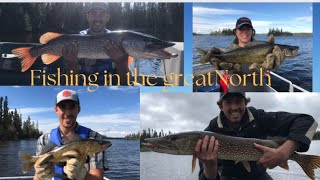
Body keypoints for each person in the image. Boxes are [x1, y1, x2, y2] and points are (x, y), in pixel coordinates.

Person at [195, 92, 318, 180]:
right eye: (228, 102)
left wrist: (283, 152)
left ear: (245, 103)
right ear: (221, 106)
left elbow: (307, 121)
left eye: (239, 101)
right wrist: (210, 166)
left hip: (258, 175)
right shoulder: (209, 133)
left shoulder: (259, 117)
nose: (234, 107)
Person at [34, 89, 108, 180]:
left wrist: (83, 175)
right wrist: (40, 174)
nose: (68, 113)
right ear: (56, 110)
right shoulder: (44, 139)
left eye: (72, 106)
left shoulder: (94, 138)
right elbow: (36, 177)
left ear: (79, 109)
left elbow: (97, 177)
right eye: (63, 106)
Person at [208, 17, 285, 92]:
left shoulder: (265, 48)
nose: (245, 31)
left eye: (248, 28)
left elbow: (266, 69)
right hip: (235, 94)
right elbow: (221, 68)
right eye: (241, 28)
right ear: (235, 32)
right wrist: (215, 63)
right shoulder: (227, 51)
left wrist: (269, 66)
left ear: (252, 31)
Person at [62, 3, 130, 85]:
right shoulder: (76, 40)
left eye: (102, 13)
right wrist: (71, 64)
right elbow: (70, 84)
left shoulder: (117, 40)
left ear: (107, 17)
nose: (97, 18)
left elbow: (126, 82)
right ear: (87, 16)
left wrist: (122, 62)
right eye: (93, 13)